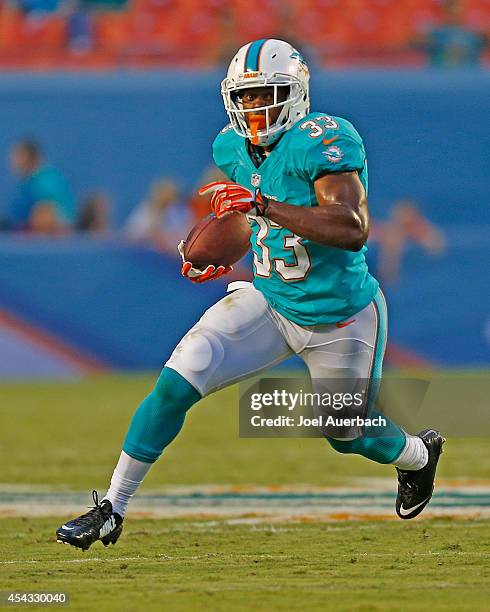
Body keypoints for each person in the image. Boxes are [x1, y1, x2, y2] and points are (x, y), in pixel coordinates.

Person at [56, 39, 444, 551]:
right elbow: (246, 218)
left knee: (345, 432)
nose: (256, 109)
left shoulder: (323, 141)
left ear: (296, 93)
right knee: (176, 382)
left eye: (267, 95)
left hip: (340, 317)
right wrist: (217, 249)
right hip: (270, 300)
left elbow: (351, 227)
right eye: (247, 97)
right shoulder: (229, 147)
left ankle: (417, 454)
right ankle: (112, 508)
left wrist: (262, 204)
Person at [8, 139, 75, 234]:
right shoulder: (30, 181)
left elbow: (46, 216)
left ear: (29, 157)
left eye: (18, 156)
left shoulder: (43, 182)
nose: (13, 161)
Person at [124, 178, 194, 251]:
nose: (166, 197)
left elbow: (187, 234)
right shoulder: (146, 210)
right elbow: (132, 236)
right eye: (163, 194)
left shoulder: (179, 211)